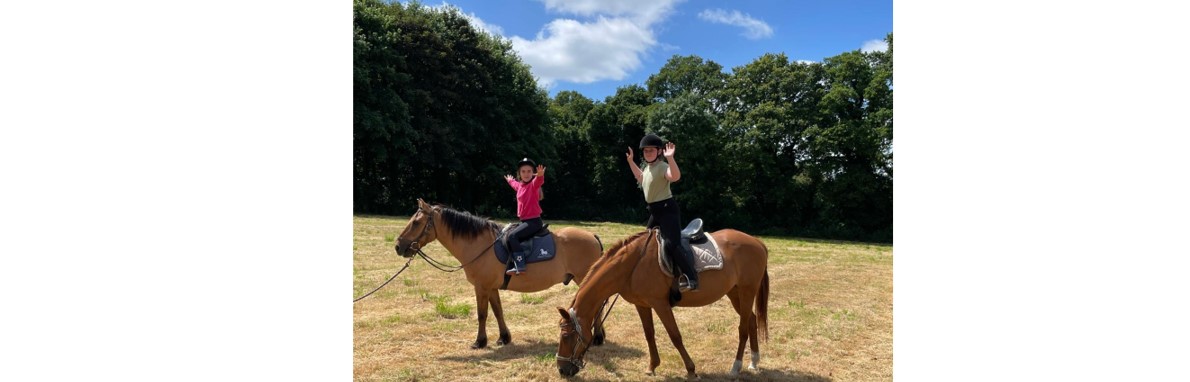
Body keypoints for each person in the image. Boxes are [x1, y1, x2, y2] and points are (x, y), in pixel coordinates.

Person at [626, 134, 698, 291]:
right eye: (645, 151)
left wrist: (670, 158)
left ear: (659, 152)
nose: (648, 153)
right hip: (655, 212)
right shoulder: (648, 169)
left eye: (651, 151)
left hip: (668, 211)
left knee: (672, 244)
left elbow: (675, 176)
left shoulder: (662, 167)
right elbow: (640, 177)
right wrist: (631, 161)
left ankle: (691, 278)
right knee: (645, 243)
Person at [503, 158, 546, 275]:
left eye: (529, 171)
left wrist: (540, 176)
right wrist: (510, 181)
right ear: (519, 173)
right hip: (525, 221)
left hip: (534, 222)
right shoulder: (521, 186)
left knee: (512, 236)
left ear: (533, 173)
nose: (526, 174)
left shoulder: (533, 185)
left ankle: (520, 265)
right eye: (523, 171)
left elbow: (538, 181)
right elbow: (515, 185)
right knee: (506, 233)